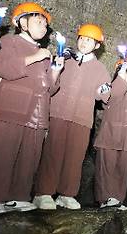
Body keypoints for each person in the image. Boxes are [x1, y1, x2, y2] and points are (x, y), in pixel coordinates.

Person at [0, 2, 64, 217]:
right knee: (3, 154)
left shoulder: (43, 52)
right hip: (12, 108)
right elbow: (3, 68)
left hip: (38, 113)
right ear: (22, 23)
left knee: (30, 157)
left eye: (45, 24)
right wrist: (34, 58)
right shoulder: (8, 41)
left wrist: (55, 71)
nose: (44, 26)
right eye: (38, 21)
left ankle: (19, 197)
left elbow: (50, 88)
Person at [34, 24, 111, 210]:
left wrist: (107, 87)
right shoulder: (65, 58)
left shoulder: (100, 69)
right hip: (59, 113)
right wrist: (56, 66)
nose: (84, 43)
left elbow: (105, 95)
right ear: (77, 39)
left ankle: (67, 194)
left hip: (82, 119)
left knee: (75, 157)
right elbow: (50, 82)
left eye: (90, 40)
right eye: (82, 38)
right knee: (53, 152)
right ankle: (43, 193)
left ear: (97, 46)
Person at [94, 57, 127, 210]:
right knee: (107, 168)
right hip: (109, 136)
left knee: (122, 170)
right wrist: (121, 78)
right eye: (125, 71)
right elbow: (103, 96)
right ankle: (105, 198)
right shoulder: (110, 86)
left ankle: (117, 198)